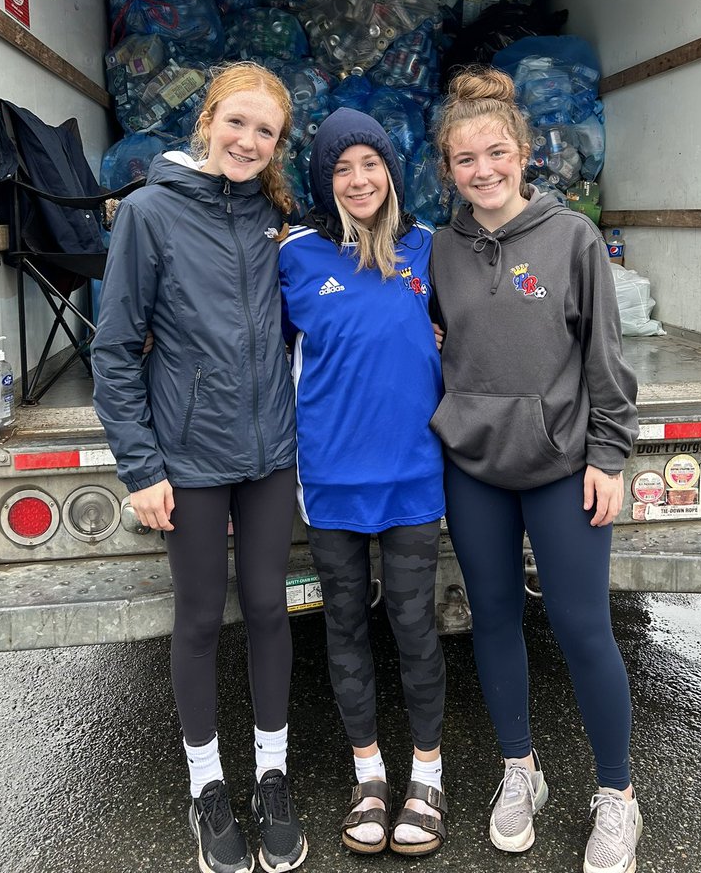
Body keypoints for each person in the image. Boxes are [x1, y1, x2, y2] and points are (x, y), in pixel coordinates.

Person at [92, 62, 307, 873]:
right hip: (187, 457)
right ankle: (207, 785)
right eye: (238, 123)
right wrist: (141, 467)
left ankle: (272, 777)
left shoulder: (277, 217)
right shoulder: (150, 214)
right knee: (197, 618)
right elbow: (113, 351)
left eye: (267, 132)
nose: (249, 142)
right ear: (209, 120)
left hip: (268, 454)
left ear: (278, 147)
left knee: (269, 611)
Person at [429, 67, 642, 873]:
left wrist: (610, 454)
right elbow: (425, 333)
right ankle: (521, 771)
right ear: (447, 169)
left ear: (525, 154)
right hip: (474, 467)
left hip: (561, 466)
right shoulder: (441, 250)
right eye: (464, 160)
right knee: (493, 621)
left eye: (496, 154)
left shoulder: (573, 238)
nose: (482, 171)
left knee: (584, 627)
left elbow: (605, 359)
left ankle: (617, 797)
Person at [279, 108, 448, 858]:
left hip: (414, 476)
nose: (358, 180)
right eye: (341, 169)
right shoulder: (297, 258)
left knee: (415, 627)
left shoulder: (429, 251)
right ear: (325, 182)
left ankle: (428, 777)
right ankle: (369, 774)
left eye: (369, 165)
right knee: (344, 626)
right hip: (333, 485)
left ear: (390, 172)